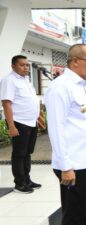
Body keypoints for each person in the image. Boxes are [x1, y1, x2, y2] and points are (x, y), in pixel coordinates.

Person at [45, 44, 86, 225]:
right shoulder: (60, 87)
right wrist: (65, 167)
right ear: (75, 61)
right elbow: (56, 128)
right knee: (75, 217)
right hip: (75, 166)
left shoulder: (85, 89)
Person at [0, 55, 41, 193]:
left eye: (27, 65)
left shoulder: (26, 80)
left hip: (31, 122)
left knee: (27, 153)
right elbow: (6, 103)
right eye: (22, 65)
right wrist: (11, 126)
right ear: (13, 66)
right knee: (19, 154)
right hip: (19, 122)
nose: (26, 67)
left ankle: (27, 179)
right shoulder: (9, 80)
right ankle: (20, 184)